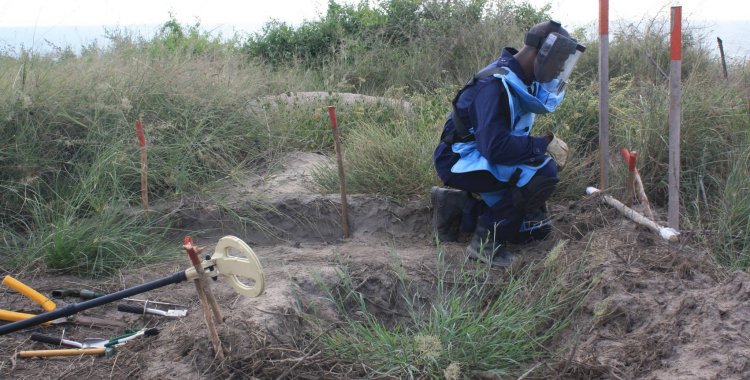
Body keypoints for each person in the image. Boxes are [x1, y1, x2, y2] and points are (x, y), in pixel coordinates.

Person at [431, 20, 585, 267]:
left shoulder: (522, 78)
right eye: (559, 61)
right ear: (542, 53)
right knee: (543, 172)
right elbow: (495, 148)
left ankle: (458, 208)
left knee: (534, 231)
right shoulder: (494, 85)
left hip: (479, 154)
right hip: (458, 159)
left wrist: (535, 149)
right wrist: (541, 145)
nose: (559, 69)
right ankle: (486, 244)